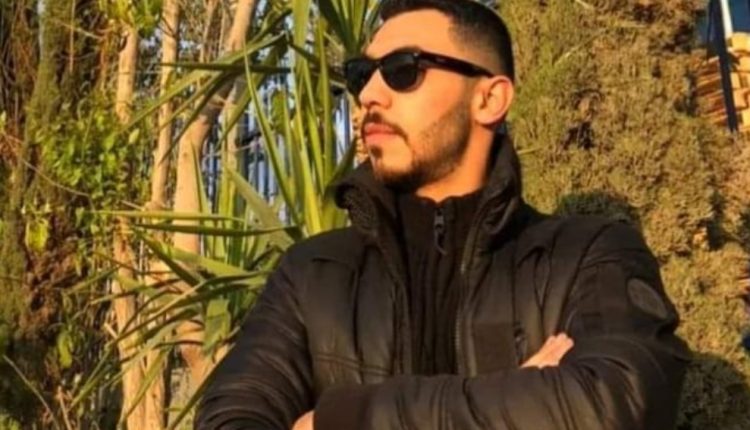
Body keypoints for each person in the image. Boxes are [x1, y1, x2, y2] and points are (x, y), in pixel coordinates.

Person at [194, 0, 690, 429]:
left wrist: (342, 418)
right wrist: (513, 398)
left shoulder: (585, 256)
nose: (369, 95)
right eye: (363, 75)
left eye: (403, 69)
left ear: (489, 98)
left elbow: (615, 405)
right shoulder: (312, 275)